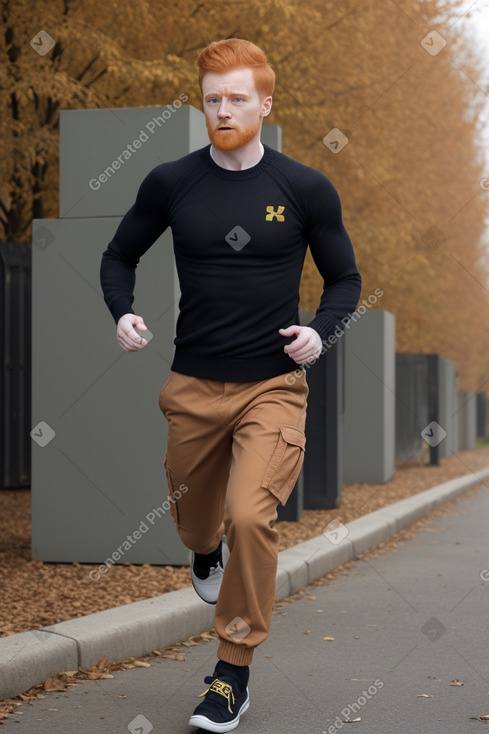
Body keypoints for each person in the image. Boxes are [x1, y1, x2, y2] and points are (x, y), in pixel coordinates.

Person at [100, 37, 361, 733]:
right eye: (212, 99)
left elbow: (345, 280)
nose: (222, 110)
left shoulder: (303, 189)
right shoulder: (171, 182)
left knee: (251, 516)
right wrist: (122, 311)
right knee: (196, 518)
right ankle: (201, 547)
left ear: (264, 104)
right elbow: (119, 254)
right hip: (192, 384)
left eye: (236, 98)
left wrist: (320, 331)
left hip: (271, 388)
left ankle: (230, 673)